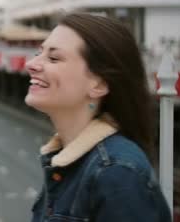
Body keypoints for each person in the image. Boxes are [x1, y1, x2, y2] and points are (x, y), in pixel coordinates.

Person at [26, 12, 171, 222]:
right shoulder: (72, 161)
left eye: (54, 58)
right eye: (39, 53)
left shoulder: (116, 173)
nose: (31, 64)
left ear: (99, 84)